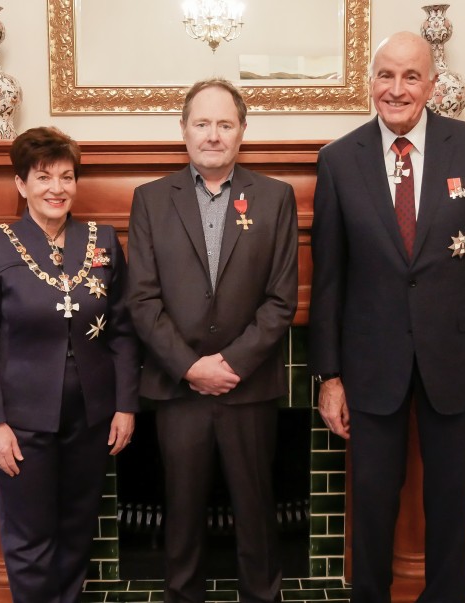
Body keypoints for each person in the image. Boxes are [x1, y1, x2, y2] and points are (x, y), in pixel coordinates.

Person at [309, 32, 465, 603]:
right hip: (370, 365)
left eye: (410, 77)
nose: (397, 89)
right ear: (370, 82)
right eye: (386, 75)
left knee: (451, 502)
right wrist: (329, 378)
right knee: (373, 503)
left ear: (432, 84)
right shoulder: (337, 160)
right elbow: (329, 282)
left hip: (457, 363)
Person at [127, 78, 298, 603]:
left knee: (256, 512)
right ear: (184, 131)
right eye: (202, 123)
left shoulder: (275, 197)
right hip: (179, 390)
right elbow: (142, 300)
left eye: (225, 124)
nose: (213, 135)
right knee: (181, 515)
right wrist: (190, 367)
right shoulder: (151, 200)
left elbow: (281, 299)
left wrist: (231, 363)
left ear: (242, 131)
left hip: (248, 387)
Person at [0, 126, 139, 603]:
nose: (57, 188)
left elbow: (122, 327)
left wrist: (126, 404)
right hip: (21, 422)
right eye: (43, 177)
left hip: (92, 415)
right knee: (29, 536)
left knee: (77, 528)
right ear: (21, 184)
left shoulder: (101, 239)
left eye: (66, 177)